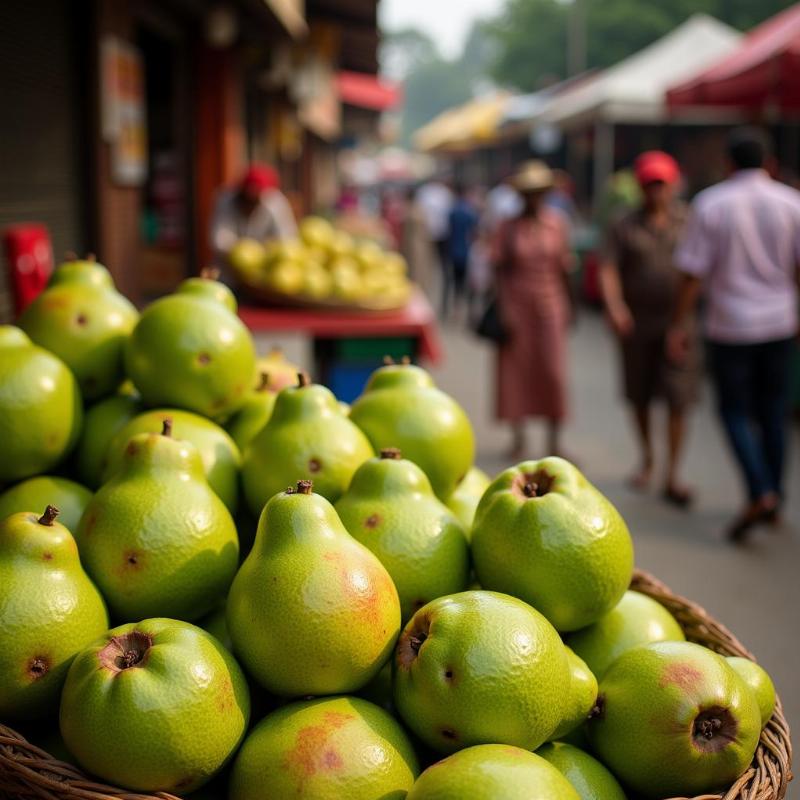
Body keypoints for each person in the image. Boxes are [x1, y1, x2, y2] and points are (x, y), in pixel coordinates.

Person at [667, 127, 800, 542]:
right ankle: (773, 494)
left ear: (727, 163)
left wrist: (678, 324)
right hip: (779, 322)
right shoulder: (791, 203)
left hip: (730, 326)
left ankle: (760, 490)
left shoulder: (711, 204)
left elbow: (692, 274)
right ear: (770, 163)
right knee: (774, 410)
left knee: (735, 411)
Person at [600, 151, 698, 506]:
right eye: (649, 185)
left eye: (661, 184)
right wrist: (615, 306)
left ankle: (673, 472)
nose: (656, 191)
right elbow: (608, 268)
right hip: (638, 322)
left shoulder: (688, 221)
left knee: (678, 397)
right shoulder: (623, 224)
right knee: (639, 393)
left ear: (672, 186)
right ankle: (648, 458)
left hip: (680, 322)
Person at [492, 160, 574, 459]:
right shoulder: (508, 227)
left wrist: (571, 306)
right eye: (528, 193)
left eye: (538, 192)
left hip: (551, 304)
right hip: (516, 305)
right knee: (515, 372)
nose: (533, 198)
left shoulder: (558, 224)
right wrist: (503, 309)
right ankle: (518, 439)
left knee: (553, 372)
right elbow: (498, 270)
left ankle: (554, 442)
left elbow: (565, 267)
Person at [210, 163, 297, 271]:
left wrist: (262, 254)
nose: (251, 200)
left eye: (256, 197)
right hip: (228, 271)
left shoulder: (276, 203)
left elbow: (287, 240)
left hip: (265, 272)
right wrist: (242, 252)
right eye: (248, 196)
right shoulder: (225, 200)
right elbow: (219, 240)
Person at [444, 184, 478, 319]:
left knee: (452, 282)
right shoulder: (470, 212)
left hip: (453, 251)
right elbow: (475, 232)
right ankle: (468, 311)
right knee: (467, 283)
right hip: (466, 252)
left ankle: (452, 309)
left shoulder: (452, 212)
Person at [401, 186, 437, 299]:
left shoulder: (411, 210)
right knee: (419, 270)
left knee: (416, 271)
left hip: (414, 245)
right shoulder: (419, 209)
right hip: (420, 244)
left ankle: (417, 293)